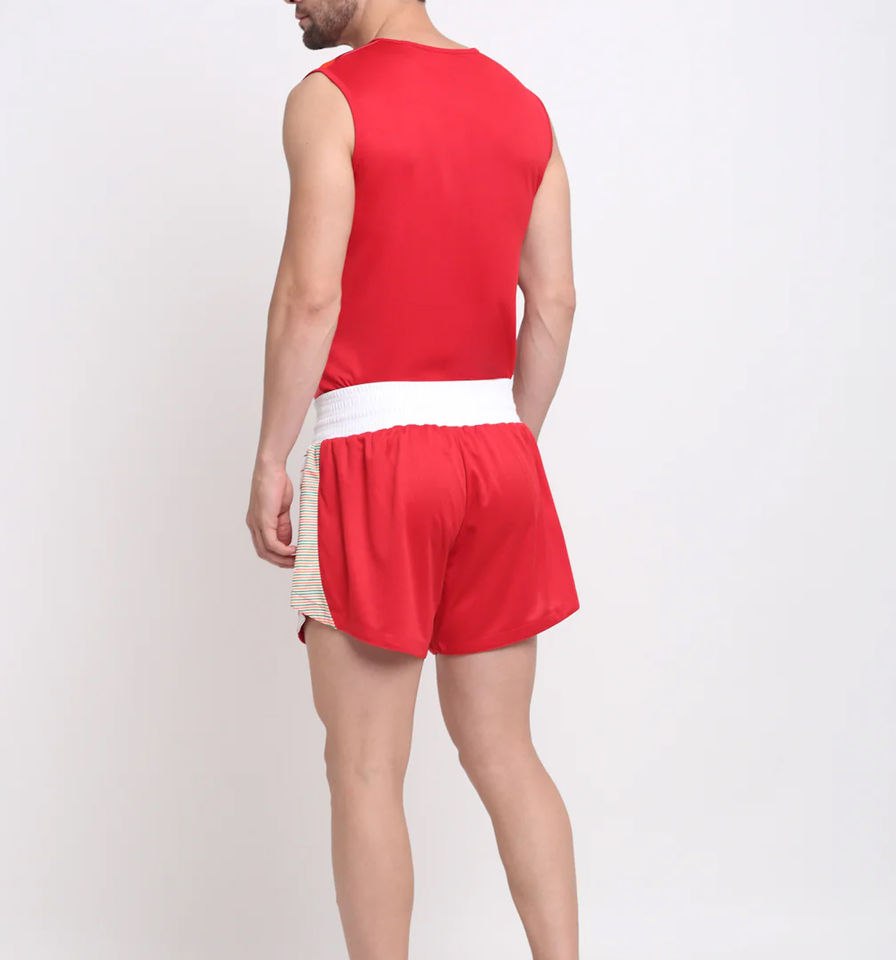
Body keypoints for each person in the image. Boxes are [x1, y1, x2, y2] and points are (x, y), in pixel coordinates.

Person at [247, 1, 582, 956]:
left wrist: (271, 456)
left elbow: (311, 295)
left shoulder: (330, 99)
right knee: (506, 752)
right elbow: (554, 301)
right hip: (497, 454)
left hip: (374, 456)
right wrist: (508, 443)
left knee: (364, 770)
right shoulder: (522, 106)